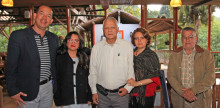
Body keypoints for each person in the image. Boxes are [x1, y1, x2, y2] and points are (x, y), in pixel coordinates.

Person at [6, 5, 58, 108]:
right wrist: (12, 90)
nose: (44, 18)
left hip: (48, 88)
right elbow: (11, 66)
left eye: (48, 16)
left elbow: (55, 63)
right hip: (26, 89)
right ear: (35, 15)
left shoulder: (54, 38)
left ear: (51, 20)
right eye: (41, 13)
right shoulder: (18, 36)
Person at [88, 17, 135, 108]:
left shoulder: (127, 46)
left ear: (117, 29)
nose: (109, 30)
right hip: (102, 95)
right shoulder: (96, 47)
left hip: (122, 94)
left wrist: (128, 88)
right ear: (103, 30)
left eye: (112, 27)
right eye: (106, 28)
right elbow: (93, 71)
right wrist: (94, 91)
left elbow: (130, 69)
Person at [167, 27, 215, 108]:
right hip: (180, 98)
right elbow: (171, 76)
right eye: (184, 37)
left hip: (200, 98)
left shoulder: (206, 55)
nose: (187, 40)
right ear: (181, 39)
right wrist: (184, 93)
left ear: (196, 39)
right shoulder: (174, 55)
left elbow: (210, 77)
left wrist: (193, 91)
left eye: (190, 37)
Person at [54, 31, 92, 108]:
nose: (73, 43)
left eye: (76, 40)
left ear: (79, 43)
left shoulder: (85, 58)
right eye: (70, 40)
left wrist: (90, 97)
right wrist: (58, 99)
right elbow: (57, 80)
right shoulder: (59, 58)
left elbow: (89, 78)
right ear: (66, 41)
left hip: (83, 98)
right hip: (66, 99)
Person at [127, 28, 161, 108]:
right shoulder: (130, 54)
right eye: (136, 38)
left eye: (142, 38)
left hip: (146, 93)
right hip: (131, 92)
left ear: (147, 40)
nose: (139, 41)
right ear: (133, 40)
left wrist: (137, 83)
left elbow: (154, 76)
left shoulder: (152, 55)